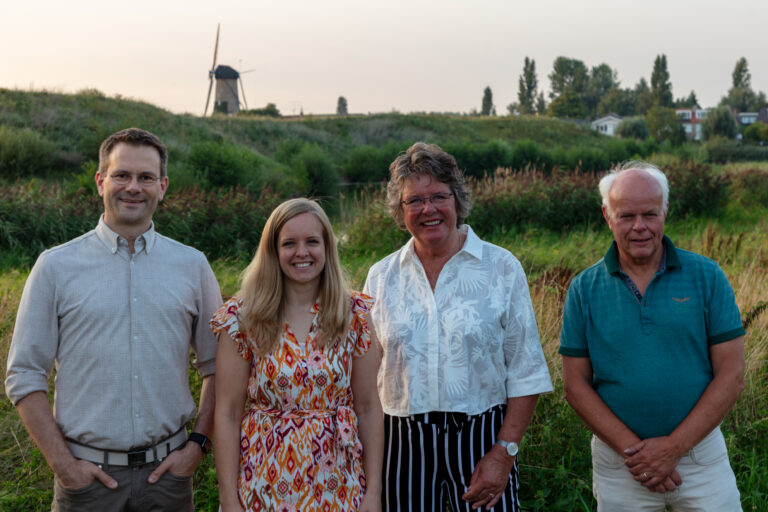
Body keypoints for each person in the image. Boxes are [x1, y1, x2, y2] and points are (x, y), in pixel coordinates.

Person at [4, 128, 222, 510]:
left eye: (146, 177)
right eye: (122, 175)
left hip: (168, 480)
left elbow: (219, 367)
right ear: (100, 181)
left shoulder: (192, 266)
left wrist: (197, 447)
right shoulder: (55, 267)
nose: (133, 187)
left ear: (163, 186)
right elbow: (24, 375)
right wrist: (64, 466)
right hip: (86, 485)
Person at [363, 142, 553, 511]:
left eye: (438, 196)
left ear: (457, 200)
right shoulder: (382, 276)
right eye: (414, 201)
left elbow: (526, 372)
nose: (428, 209)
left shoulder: (501, 268)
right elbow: (366, 378)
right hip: (402, 441)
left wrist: (504, 452)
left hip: (482, 436)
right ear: (400, 211)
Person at [559, 161, 746, 511]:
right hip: (621, 462)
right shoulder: (584, 289)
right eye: (627, 216)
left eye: (650, 214)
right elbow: (575, 386)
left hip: (700, 458)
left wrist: (673, 448)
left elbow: (732, 375)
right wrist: (640, 454)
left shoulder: (707, 276)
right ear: (606, 215)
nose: (640, 227)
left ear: (665, 212)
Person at [212, 198, 383, 512]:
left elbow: (369, 406)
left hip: (339, 483)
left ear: (327, 248)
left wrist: (373, 492)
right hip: (263, 482)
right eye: (289, 243)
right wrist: (229, 500)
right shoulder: (242, 317)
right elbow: (227, 413)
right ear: (273, 251)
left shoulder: (354, 314)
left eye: (312, 242)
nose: (301, 252)